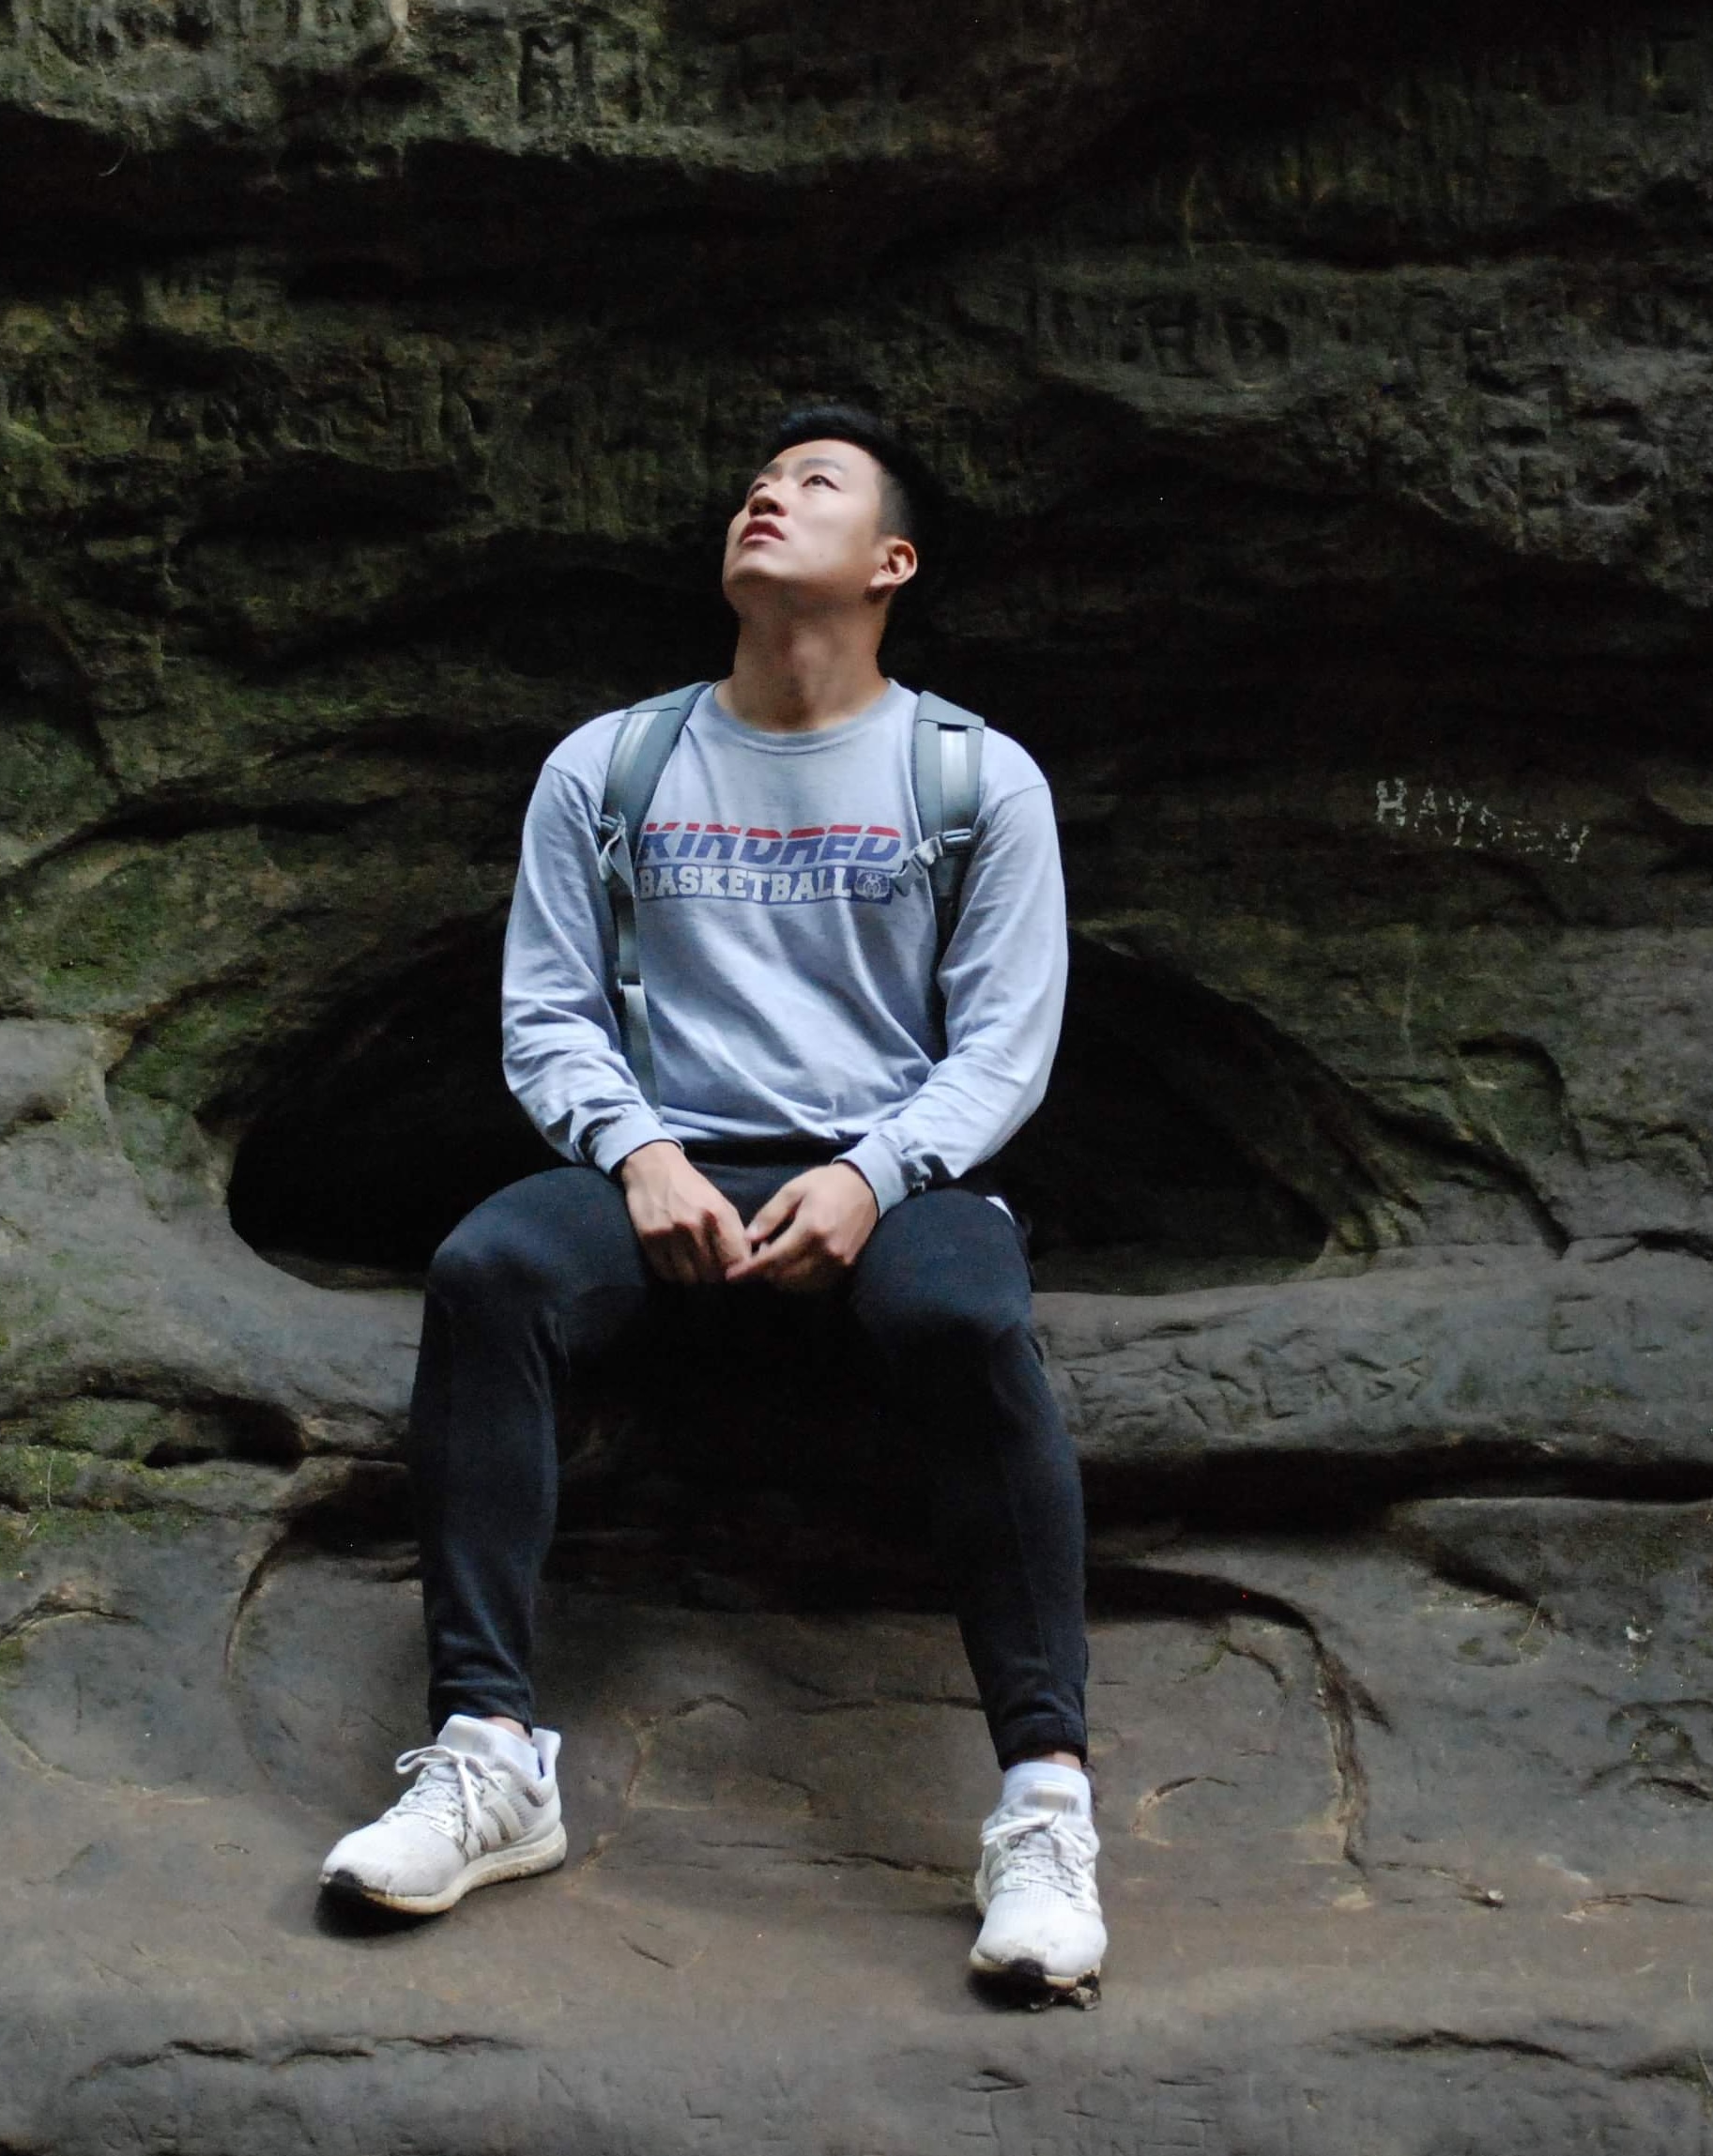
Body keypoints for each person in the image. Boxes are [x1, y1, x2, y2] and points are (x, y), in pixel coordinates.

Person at [319, 405, 1104, 1998]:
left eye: (814, 483)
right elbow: (547, 1013)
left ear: (891, 562)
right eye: (756, 478)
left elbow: (1006, 1045)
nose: (766, 494)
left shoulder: (972, 775)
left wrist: (874, 1175)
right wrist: (636, 1152)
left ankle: (1043, 1807)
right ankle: (486, 1758)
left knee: (963, 1310)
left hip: (893, 1166)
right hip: (663, 1160)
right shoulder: (611, 763)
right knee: (487, 1268)